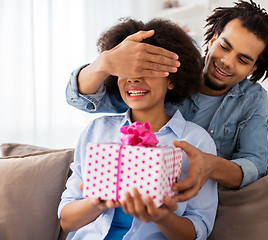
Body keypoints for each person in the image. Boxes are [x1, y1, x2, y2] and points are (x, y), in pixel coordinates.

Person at [65, 0, 268, 202]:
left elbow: (256, 164)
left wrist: (210, 166)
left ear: (253, 68)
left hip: (202, 202)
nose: (227, 62)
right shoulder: (167, 70)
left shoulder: (253, 99)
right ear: (212, 39)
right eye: (225, 47)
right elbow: (82, 98)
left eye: (243, 59)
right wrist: (104, 63)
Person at [58, 18, 218, 240]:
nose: (133, 78)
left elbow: (198, 228)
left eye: (147, 69)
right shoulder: (97, 131)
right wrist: (100, 200)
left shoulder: (195, 142)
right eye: (125, 69)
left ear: (172, 80)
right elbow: (66, 220)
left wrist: (160, 216)